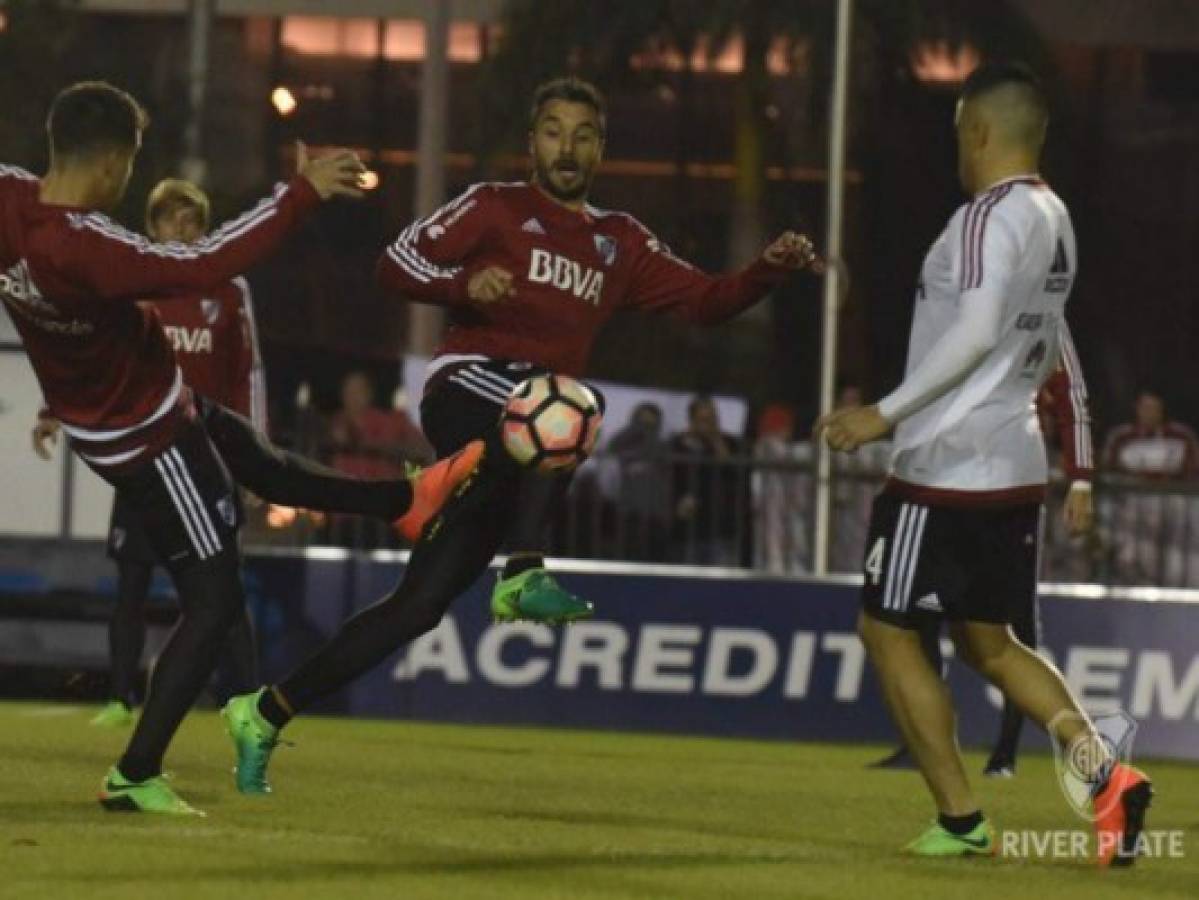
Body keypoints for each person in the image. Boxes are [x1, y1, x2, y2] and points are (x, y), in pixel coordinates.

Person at [219, 75, 821, 794]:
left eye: (583, 134)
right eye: (553, 130)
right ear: (532, 141)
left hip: (522, 442)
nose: (567, 147)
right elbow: (396, 262)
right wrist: (461, 288)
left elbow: (703, 301)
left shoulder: (617, 241)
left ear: (601, 146)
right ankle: (525, 568)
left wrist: (765, 272)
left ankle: (263, 711)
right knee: (569, 400)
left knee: (417, 608)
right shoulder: (494, 206)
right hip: (465, 389)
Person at [0, 81, 480, 815]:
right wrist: (300, 193)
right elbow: (204, 263)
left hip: (143, 402)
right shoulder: (85, 246)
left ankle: (404, 501)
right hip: (147, 435)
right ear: (109, 165)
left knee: (262, 462)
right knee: (216, 598)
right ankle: (134, 772)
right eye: (129, 165)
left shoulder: (9, 200)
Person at [816, 63, 1150, 865]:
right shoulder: (1053, 215)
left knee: (885, 629)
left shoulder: (983, 217)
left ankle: (962, 821)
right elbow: (1046, 339)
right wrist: (1074, 463)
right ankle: (1106, 779)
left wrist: (881, 415)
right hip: (1010, 466)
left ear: (975, 131)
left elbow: (970, 337)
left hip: (944, 465)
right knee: (990, 645)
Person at [31, 178, 272, 727]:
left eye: (192, 222)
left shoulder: (229, 288)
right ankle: (120, 698)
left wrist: (252, 453)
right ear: (154, 226)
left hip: (209, 457)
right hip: (148, 451)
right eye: (171, 221)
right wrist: (52, 411)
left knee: (221, 584)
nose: (182, 232)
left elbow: (248, 373)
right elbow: (92, 350)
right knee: (132, 582)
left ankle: (243, 701)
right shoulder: (136, 282)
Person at [1102, 389, 1199, 585]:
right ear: (1137, 409)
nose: (1149, 413)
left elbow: (1192, 473)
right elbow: (1109, 473)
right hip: (1133, 506)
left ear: (1162, 410)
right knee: (1133, 556)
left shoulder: (1181, 435)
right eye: (1145, 407)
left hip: (1173, 504)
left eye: (1154, 408)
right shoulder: (1121, 437)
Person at [670, 395, 747, 566]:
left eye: (712, 418)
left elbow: (733, 470)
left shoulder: (730, 443)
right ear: (692, 419)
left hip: (721, 530)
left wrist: (715, 440)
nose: (708, 424)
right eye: (703, 419)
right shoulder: (679, 444)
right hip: (688, 531)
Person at [605, 401, 670, 561]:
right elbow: (612, 447)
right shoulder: (624, 442)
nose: (646, 425)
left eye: (650, 421)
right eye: (642, 420)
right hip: (630, 510)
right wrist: (636, 428)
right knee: (629, 554)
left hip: (656, 512)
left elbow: (665, 460)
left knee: (654, 556)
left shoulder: (661, 445)